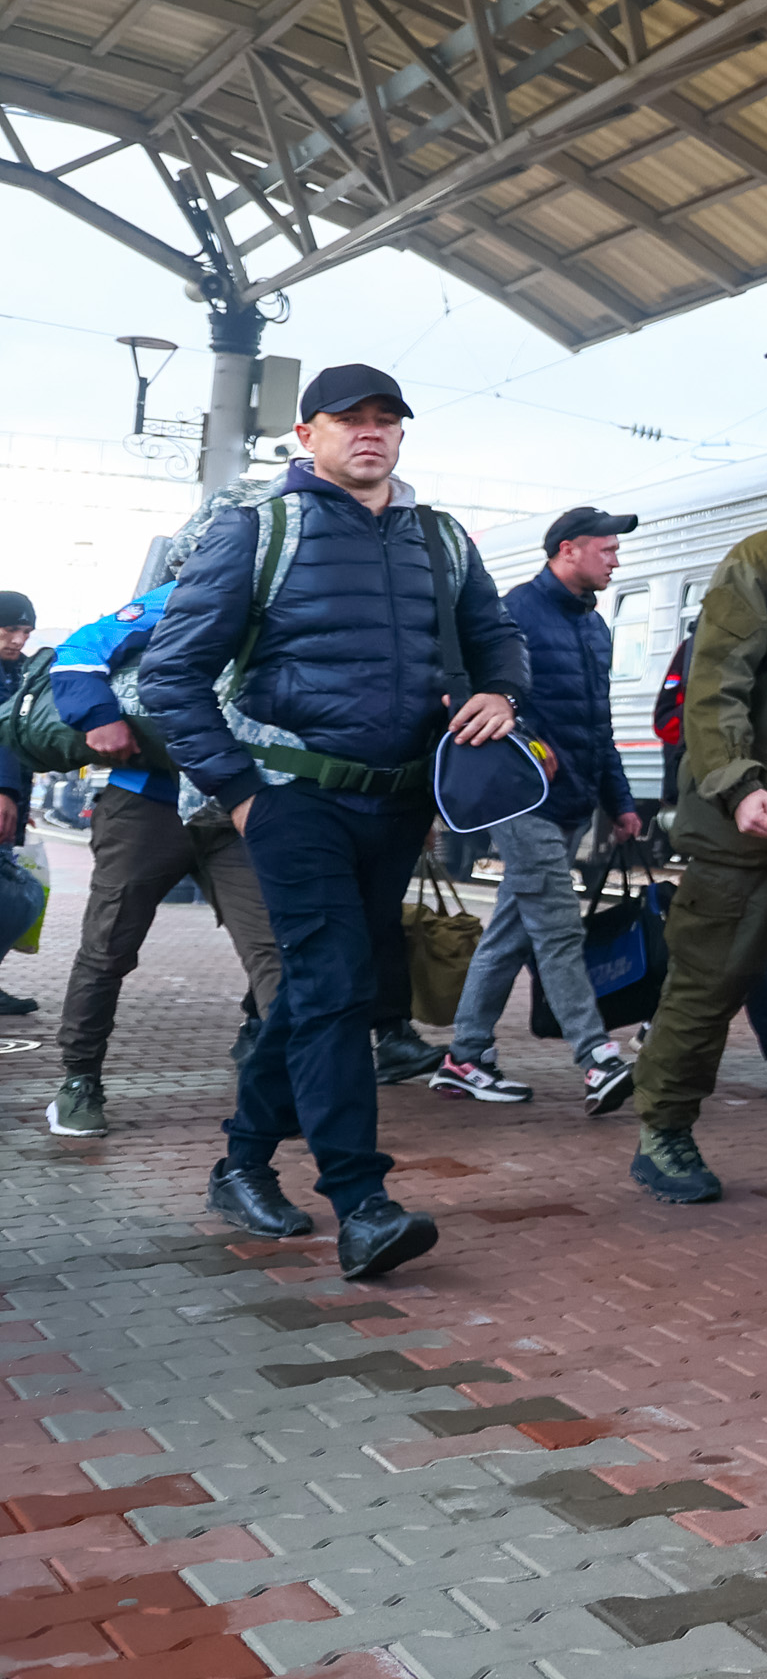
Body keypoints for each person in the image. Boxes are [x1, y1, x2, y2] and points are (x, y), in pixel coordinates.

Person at [141, 364, 528, 1280]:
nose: (369, 432)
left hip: (396, 802)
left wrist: (504, 693)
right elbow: (170, 676)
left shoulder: (440, 538)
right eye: (346, 419)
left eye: (386, 419)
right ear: (305, 435)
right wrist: (240, 791)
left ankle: (241, 1163)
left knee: (321, 990)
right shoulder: (259, 530)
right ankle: (361, 1203)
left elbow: (494, 635)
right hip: (291, 797)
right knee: (341, 984)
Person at [625, 502, 767, 1206]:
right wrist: (737, 784)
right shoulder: (764, 562)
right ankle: (664, 1130)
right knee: (703, 993)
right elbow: (715, 686)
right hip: (746, 826)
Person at [41, 564, 286, 1139]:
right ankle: (79, 1079)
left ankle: (283, 1076)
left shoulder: (307, 606)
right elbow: (80, 651)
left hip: (236, 807)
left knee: (278, 947)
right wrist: (98, 716)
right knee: (108, 947)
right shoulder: (194, 592)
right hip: (146, 801)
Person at [434, 507, 645, 1111]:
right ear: (568, 549)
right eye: (606, 550)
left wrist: (621, 803)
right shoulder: (514, 615)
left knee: (511, 933)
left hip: (573, 799)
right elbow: (475, 701)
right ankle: (596, 1057)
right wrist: (530, 739)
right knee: (556, 926)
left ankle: (465, 1056)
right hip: (522, 798)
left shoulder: (595, 629)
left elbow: (598, 727)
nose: (614, 560)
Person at [0, 591, 36, 1017]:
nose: (18, 639)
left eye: (25, 631)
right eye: (10, 629)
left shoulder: (19, 673)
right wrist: (5, 790)